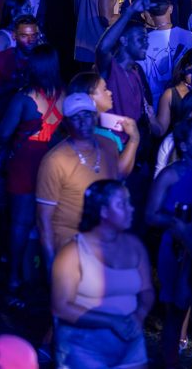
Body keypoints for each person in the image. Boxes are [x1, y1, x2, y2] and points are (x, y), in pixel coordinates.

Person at [51, 180, 153, 369]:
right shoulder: (73, 253)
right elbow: (60, 307)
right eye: (122, 204)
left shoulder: (135, 246)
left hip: (130, 346)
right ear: (103, 211)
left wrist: (140, 314)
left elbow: (147, 290)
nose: (131, 209)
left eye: (129, 203)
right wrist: (111, 321)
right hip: (82, 347)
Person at [0, 44, 64, 299]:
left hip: (26, 161)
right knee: (49, 221)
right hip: (54, 161)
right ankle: (48, 277)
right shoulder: (65, 94)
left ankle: (14, 277)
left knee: (20, 223)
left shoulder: (23, 98)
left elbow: (3, 134)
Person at [145, 118, 192, 369]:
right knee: (175, 310)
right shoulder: (170, 174)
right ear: (184, 145)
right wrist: (175, 222)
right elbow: (150, 215)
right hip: (174, 247)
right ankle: (170, 363)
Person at [35, 93, 139, 260]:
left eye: (87, 115)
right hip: (71, 243)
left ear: (95, 117)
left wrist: (134, 139)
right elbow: (44, 218)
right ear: (66, 123)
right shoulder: (54, 161)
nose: (83, 122)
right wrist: (50, 262)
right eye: (76, 117)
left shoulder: (108, 145)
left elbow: (117, 177)